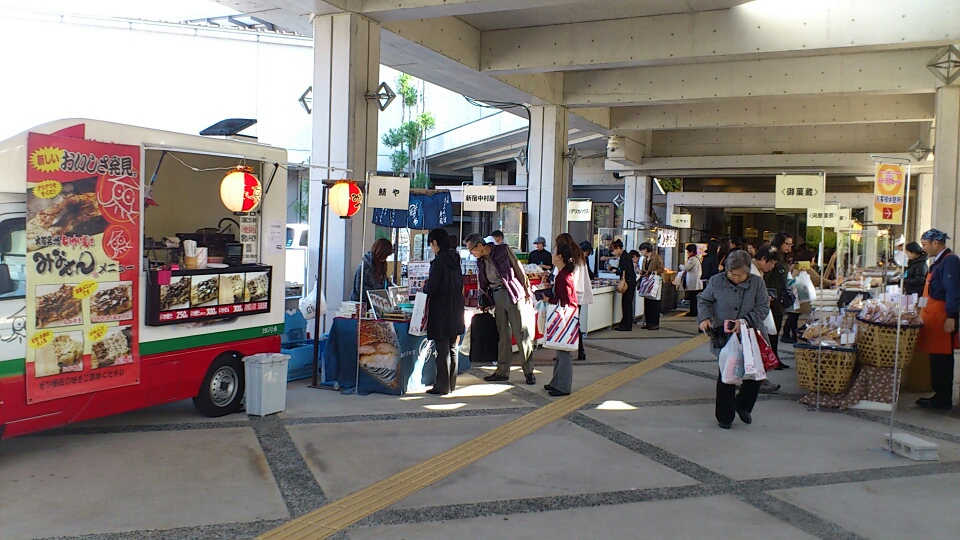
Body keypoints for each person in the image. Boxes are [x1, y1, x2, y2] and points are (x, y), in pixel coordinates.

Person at [697, 250, 771, 429]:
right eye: (733, 274)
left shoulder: (757, 283)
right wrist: (704, 318)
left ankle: (742, 404)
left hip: (751, 335)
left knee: (754, 375)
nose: (736, 278)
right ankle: (724, 416)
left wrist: (744, 321)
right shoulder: (716, 281)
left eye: (741, 275)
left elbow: (763, 308)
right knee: (727, 374)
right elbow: (704, 300)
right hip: (725, 336)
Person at [465, 233, 537, 385]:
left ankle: (529, 371)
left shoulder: (502, 250)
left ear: (480, 245)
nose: (472, 253)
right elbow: (483, 283)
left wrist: (527, 290)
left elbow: (518, 267)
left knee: (521, 332)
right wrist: (483, 300)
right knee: (503, 334)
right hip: (496, 295)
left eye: (472, 249)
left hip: (513, 293)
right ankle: (502, 371)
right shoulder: (480, 261)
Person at [916, 229, 960, 410]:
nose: (923, 248)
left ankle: (943, 398)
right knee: (936, 358)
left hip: (942, 317)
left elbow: (953, 290)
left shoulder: (950, 261)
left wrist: (951, 316)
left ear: (936, 243)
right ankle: (939, 394)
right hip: (932, 318)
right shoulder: (938, 262)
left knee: (943, 359)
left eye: (924, 244)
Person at [423, 228, 465, 395]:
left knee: (442, 350)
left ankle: (442, 386)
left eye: (431, 244)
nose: (432, 248)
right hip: (456, 308)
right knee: (453, 347)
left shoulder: (439, 262)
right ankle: (451, 384)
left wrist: (425, 286)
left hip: (441, 309)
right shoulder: (455, 259)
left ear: (435, 243)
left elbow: (431, 288)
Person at [544, 243, 579, 397]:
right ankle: (556, 382)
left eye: (554, 252)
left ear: (560, 257)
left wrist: (549, 300)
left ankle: (563, 386)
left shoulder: (562, 276)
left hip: (565, 317)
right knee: (560, 350)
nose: (551, 254)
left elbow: (566, 300)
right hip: (568, 316)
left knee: (563, 352)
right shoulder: (563, 274)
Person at [556, 233, 593, 360]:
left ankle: (566, 351)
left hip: (569, 293)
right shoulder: (580, 256)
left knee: (567, 323)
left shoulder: (567, 257)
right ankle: (580, 351)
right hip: (578, 294)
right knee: (575, 322)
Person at [764, 231, 793, 370]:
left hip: (779, 298)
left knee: (775, 328)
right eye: (787, 244)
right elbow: (767, 278)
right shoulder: (773, 256)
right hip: (772, 298)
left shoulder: (783, 258)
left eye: (791, 244)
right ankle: (772, 358)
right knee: (772, 330)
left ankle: (774, 357)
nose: (789, 247)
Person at [612, 239, 637, 331]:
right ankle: (625, 323)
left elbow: (625, 270)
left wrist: (616, 271)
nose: (614, 253)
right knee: (626, 303)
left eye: (614, 250)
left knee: (626, 303)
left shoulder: (625, 257)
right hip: (630, 281)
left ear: (618, 248)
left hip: (628, 281)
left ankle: (626, 325)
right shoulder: (625, 256)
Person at [639, 242, 664, 330]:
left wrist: (651, 272)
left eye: (642, 250)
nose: (641, 252)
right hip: (647, 282)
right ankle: (648, 322)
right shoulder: (644, 259)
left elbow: (661, 269)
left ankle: (655, 323)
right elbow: (644, 269)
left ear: (646, 250)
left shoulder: (656, 257)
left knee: (654, 303)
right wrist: (642, 272)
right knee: (647, 303)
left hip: (655, 282)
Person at [681, 243, 703, 317]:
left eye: (688, 251)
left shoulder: (692, 259)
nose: (687, 253)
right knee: (694, 297)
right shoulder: (697, 258)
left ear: (692, 251)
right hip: (696, 281)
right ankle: (694, 311)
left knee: (693, 297)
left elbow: (686, 268)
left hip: (693, 281)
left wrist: (681, 266)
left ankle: (693, 311)